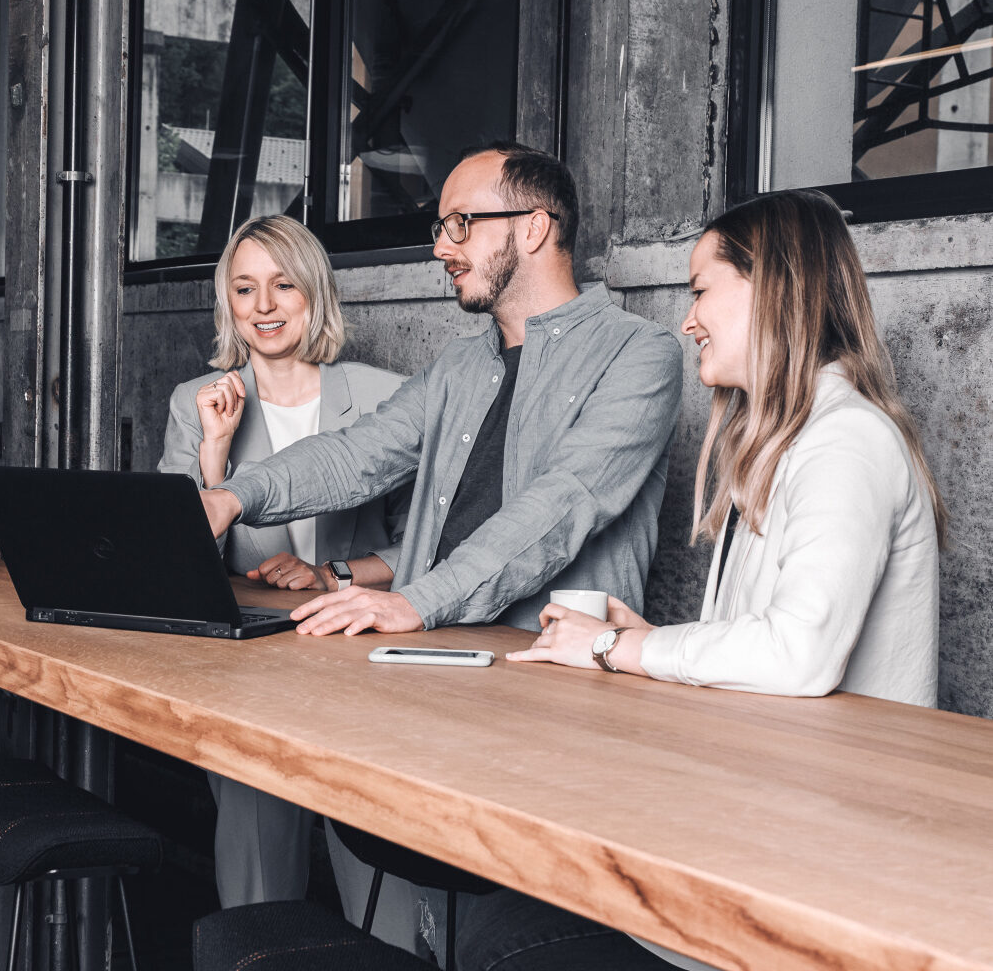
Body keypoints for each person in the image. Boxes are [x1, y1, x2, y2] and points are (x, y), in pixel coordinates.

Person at [463, 188, 946, 969]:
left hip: (822, 873)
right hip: (773, 831)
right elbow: (776, 643)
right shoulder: (791, 441)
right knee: (511, 911)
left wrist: (615, 649)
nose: (687, 321)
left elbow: (798, 654)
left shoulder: (845, 444)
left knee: (507, 936)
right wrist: (652, 641)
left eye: (699, 291)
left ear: (773, 288)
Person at [200, 142, 683, 639]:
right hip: (424, 645)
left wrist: (415, 601)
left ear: (533, 228)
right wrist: (231, 499)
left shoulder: (639, 353)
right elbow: (356, 454)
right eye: (441, 228)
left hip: (550, 656)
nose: (441, 249)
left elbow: (562, 504)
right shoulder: (457, 366)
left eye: (461, 224)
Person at [159, 214, 417, 929]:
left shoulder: (386, 396)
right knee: (256, 887)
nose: (264, 306)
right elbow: (173, 564)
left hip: (361, 667)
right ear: (228, 302)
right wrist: (214, 456)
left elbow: (430, 548)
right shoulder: (195, 402)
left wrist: (334, 575)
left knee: (384, 898)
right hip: (249, 671)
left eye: (283, 286)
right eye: (245, 288)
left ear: (314, 293)